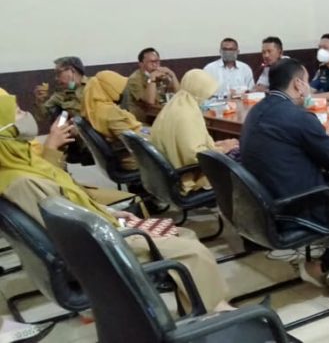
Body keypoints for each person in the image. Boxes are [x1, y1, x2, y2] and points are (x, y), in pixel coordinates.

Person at [0, 94, 233, 314]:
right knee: (191, 250)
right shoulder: (23, 183)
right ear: (6, 130)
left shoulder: (22, 164)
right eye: (18, 112)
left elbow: (68, 204)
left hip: (100, 231)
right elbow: (69, 228)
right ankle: (215, 313)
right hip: (102, 249)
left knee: (185, 235)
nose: (26, 115)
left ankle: (201, 305)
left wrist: (110, 213)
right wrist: (114, 224)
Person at [241, 58, 329, 290]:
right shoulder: (297, 117)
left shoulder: (256, 110)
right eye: (307, 82)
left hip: (261, 202)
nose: (309, 88)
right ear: (298, 85)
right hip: (294, 206)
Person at [150, 69, 239, 195]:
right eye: (208, 94)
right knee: (239, 155)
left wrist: (218, 145)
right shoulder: (188, 115)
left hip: (168, 172)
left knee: (232, 145)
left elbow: (188, 144)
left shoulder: (175, 105)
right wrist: (223, 149)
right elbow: (195, 156)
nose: (209, 98)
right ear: (200, 92)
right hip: (188, 176)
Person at [82, 71, 145, 170]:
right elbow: (135, 142)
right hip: (134, 159)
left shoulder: (93, 110)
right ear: (110, 89)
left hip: (120, 154)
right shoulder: (111, 114)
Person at [124, 47, 180, 123]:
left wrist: (172, 75)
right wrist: (152, 77)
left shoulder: (161, 75)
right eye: (151, 62)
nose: (155, 65)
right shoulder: (134, 79)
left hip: (160, 114)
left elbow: (180, 94)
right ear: (141, 64)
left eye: (157, 61)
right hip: (142, 120)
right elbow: (150, 102)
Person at [32, 56, 88, 125]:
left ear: (72, 70)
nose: (56, 78)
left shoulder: (94, 85)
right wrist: (39, 101)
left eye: (59, 73)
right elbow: (41, 117)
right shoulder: (60, 94)